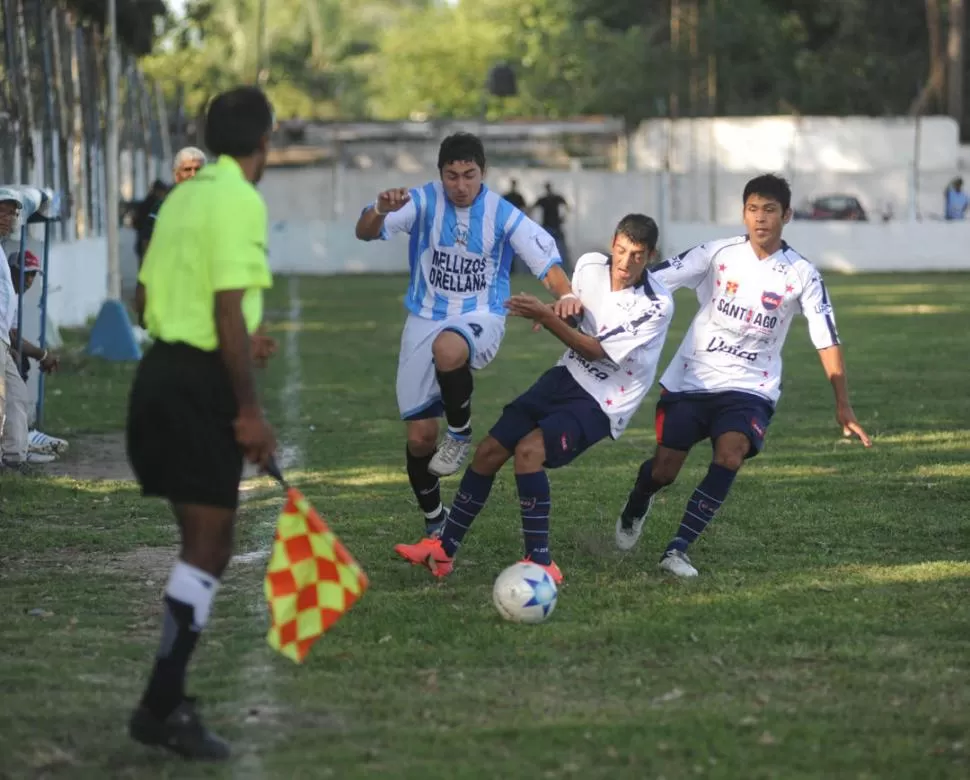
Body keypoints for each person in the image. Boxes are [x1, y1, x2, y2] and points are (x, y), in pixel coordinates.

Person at [614, 174, 872, 577]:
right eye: (753, 209)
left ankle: (677, 549)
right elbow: (652, 279)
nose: (760, 218)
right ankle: (640, 496)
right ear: (744, 213)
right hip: (691, 380)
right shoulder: (717, 254)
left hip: (751, 388)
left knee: (730, 453)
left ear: (786, 215)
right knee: (664, 470)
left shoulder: (801, 274)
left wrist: (843, 404)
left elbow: (827, 338)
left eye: (770, 210)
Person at [394, 214, 674, 582]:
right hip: (565, 375)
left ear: (651, 255)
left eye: (636, 255)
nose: (625, 262)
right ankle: (444, 548)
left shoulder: (655, 304)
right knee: (489, 450)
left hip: (604, 400)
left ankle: (541, 560)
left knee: (529, 452)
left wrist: (546, 315)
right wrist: (560, 312)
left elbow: (595, 349)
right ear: (612, 243)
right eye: (621, 250)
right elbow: (578, 315)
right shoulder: (590, 266)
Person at [126, 87, 277, 760]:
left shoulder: (183, 195)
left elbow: (145, 294)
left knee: (201, 544)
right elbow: (223, 307)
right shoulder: (240, 198)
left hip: (157, 374)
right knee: (210, 546)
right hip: (198, 384)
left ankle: (164, 700)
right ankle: (162, 705)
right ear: (264, 143)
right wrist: (247, 408)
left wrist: (240, 336)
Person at [354, 132, 580, 538]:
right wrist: (378, 209)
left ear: (483, 172)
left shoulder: (503, 214)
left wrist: (565, 294)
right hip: (422, 318)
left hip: (482, 314)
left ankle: (459, 433)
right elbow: (366, 232)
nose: (460, 185)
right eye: (452, 176)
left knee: (449, 347)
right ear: (440, 174)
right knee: (421, 439)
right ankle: (435, 520)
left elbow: (545, 262)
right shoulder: (422, 201)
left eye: (469, 175)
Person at [4, 249, 65, 467]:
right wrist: (43, 355)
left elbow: (15, 337)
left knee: (19, 380)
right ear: (12, 270)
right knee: (16, 395)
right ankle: (13, 455)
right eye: (26, 273)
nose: (29, 280)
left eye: (33, 275)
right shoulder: (6, 291)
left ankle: (18, 446)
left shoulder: (13, 297)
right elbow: (13, 337)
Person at [534, 182, 569, 269]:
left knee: (558, 246)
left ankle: (562, 265)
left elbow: (567, 207)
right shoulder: (545, 199)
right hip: (549, 226)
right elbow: (532, 208)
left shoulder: (555, 198)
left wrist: (564, 217)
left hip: (554, 226)